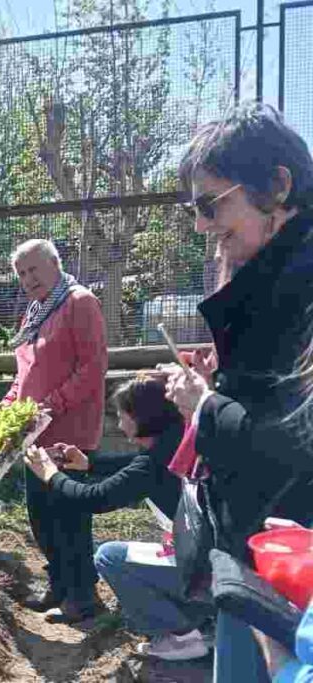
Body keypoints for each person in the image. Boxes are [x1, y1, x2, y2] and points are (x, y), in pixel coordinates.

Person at [163, 102, 313, 683]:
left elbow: (293, 444)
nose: (201, 224)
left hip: (290, 570)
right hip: (256, 561)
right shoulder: (274, 273)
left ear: (277, 185)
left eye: (210, 204)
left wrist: (205, 405)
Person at [23, 376, 206, 645]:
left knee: (109, 557)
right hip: (215, 561)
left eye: (123, 416)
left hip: (205, 573)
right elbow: (134, 463)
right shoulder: (177, 442)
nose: (119, 425)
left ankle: (179, 636)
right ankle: (202, 616)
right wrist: (89, 464)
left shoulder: (152, 465)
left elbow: (94, 498)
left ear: (142, 419)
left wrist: (51, 475)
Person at [3, 238, 108, 621]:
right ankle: (59, 585)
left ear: (54, 264)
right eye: (21, 273)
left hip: (70, 434)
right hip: (34, 434)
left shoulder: (79, 302)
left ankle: (83, 597)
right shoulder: (34, 312)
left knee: (68, 518)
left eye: (34, 269)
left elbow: (92, 369)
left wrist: (50, 406)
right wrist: (7, 409)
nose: (28, 278)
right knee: (41, 516)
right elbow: (25, 375)